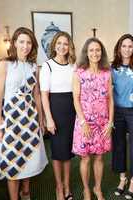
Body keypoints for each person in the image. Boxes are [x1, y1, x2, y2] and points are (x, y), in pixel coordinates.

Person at [0, 27, 48, 200]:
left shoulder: (33, 67)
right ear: (15, 43)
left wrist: (41, 119)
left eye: (29, 42)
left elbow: (36, 95)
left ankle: (26, 192)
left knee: (29, 158)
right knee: (12, 161)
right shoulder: (5, 64)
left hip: (30, 119)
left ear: (33, 45)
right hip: (11, 121)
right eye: (22, 42)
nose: (25, 46)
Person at [72, 37, 114, 200]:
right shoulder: (79, 72)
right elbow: (75, 98)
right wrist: (83, 122)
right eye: (91, 50)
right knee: (85, 158)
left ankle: (97, 188)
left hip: (103, 122)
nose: (95, 53)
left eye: (98, 50)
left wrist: (110, 122)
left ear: (101, 52)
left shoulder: (106, 73)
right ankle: (86, 190)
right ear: (86, 53)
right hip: (84, 123)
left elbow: (110, 99)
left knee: (99, 157)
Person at [40, 31, 76, 200]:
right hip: (55, 111)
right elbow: (44, 95)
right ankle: (58, 187)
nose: (62, 46)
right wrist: (48, 118)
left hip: (71, 112)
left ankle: (67, 185)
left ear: (70, 47)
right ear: (54, 45)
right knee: (56, 152)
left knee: (68, 152)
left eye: (66, 43)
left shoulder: (73, 66)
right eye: (59, 43)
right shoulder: (47, 66)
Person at [111, 34, 133, 199]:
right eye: (124, 46)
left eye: (130, 46)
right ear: (119, 48)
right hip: (117, 112)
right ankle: (122, 178)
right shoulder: (112, 67)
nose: (127, 49)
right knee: (119, 146)